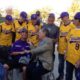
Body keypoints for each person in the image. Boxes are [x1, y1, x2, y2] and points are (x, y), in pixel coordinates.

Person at [57, 12, 75, 80]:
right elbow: (59, 36)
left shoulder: (72, 26)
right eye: (61, 18)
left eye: (62, 17)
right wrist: (58, 44)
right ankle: (61, 76)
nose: (61, 19)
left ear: (67, 17)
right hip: (61, 50)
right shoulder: (61, 25)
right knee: (60, 65)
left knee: (68, 69)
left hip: (68, 51)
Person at [65, 12, 80, 80]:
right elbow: (68, 42)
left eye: (75, 19)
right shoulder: (72, 30)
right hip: (69, 59)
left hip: (77, 61)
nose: (73, 20)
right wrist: (66, 52)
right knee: (68, 76)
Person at [0, 15, 15, 80]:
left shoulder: (12, 25)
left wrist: (12, 43)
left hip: (8, 45)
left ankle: (7, 76)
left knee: (8, 60)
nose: (9, 21)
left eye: (10, 20)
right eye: (8, 20)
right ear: (5, 19)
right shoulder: (1, 25)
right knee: (1, 60)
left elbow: (14, 34)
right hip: (1, 45)